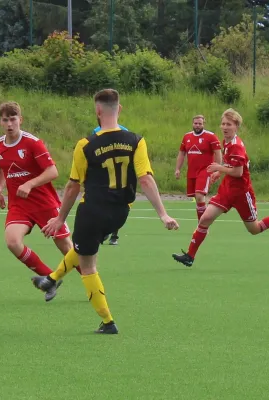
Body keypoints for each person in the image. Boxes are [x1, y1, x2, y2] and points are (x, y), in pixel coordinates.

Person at [32, 89, 179, 334]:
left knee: (88, 264)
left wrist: (59, 219)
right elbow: (145, 179)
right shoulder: (136, 140)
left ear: (97, 111)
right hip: (120, 214)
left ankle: (107, 321)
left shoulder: (85, 145)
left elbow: (72, 186)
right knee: (82, 248)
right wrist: (163, 214)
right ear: (119, 109)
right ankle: (51, 279)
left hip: (92, 212)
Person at [172, 109, 269, 267]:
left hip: (242, 193)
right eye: (223, 124)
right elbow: (230, 166)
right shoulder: (226, 141)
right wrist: (219, 172)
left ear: (236, 126)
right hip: (227, 189)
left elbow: (238, 172)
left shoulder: (236, 146)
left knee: (254, 229)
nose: (224, 127)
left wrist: (219, 169)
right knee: (205, 219)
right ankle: (190, 256)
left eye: (229, 124)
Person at [0, 101, 73, 302]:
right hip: (19, 205)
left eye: (13, 119)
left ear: (21, 120)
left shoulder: (33, 143)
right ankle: (49, 277)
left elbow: (53, 171)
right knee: (12, 241)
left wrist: (29, 184)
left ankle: (92, 283)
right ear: (0, 122)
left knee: (66, 248)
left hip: (45, 202)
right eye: (5, 120)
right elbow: (0, 167)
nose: (9, 124)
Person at [175, 115, 222, 221]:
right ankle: (204, 219)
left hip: (206, 170)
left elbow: (218, 153)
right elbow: (182, 153)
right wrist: (177, 169)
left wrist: (218, 169)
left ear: (203, 124)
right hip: (192, 171)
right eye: (195, 123)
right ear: (192, 124)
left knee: (200, 195)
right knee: (198, 199)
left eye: (200, 123)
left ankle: (202, 224)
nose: (197, 125)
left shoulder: (211, 136)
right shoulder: (187, 137)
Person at [94, 120, 129, 246]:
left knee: (117, 206)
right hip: (103, 174)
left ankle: (114, 235)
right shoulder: (96, 131)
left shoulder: (124, 131)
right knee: (102, 204)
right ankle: (105, 230)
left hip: (119, 176)